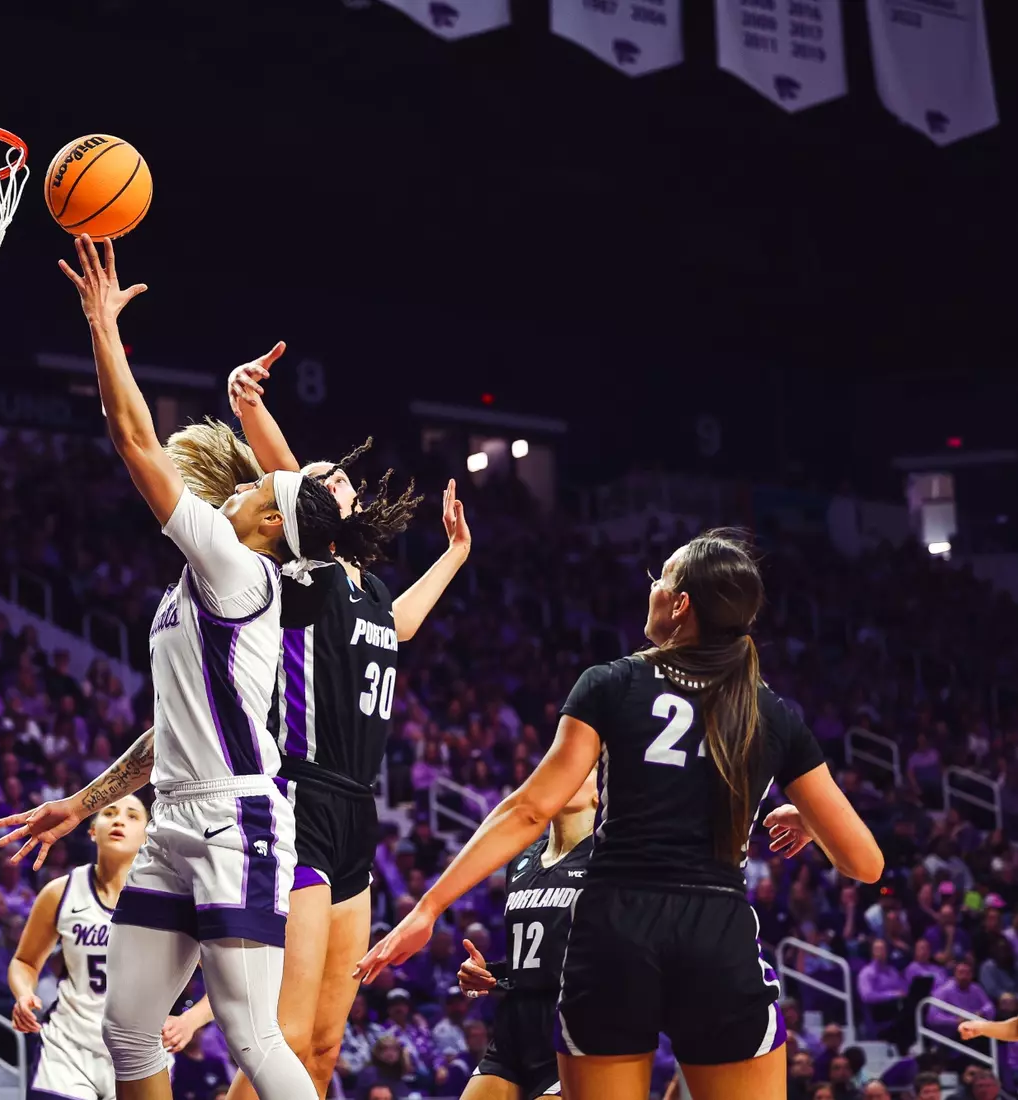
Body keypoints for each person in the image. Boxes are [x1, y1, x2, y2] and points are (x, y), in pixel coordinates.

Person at [0, 235, 354, 1100]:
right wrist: (80, 804)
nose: (234, 489)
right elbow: (169, 732)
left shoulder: (236, 567)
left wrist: (102, 327)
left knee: (251, 1034)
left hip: (239, 820)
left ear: (268, 523)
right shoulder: (208, 579)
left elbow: (135, 441)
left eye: (256, 492)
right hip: (176, 819)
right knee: (128, 1030)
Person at [355, 530, 884, 1100]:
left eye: (662, 575)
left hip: (613, 930)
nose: (652, 586)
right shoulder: (772, 711)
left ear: (680, 604)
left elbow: (531, 809)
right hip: (716, 931)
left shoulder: (612, 682)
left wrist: (429, 907)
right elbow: (865, 864)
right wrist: (811, 822)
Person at [214, 345, 466, 1100]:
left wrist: (457, 553)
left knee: (324, 1048)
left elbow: (405, 624)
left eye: (340, 477)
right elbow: (293, 488)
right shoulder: (302, 574)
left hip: (357, 811)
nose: (334, 480)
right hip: (300, 799)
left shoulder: (368, 586)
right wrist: (251, 407)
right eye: (320, 482)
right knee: (282, 1043)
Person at [9, 795, 214, 1100]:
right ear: (93, 830)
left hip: (142, 1049)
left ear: (148, 833)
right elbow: (25, 961)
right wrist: (24, 993)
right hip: (68, 1049)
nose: (119, 820)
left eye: (133, 816)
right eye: (110, 812)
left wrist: (191, 1020)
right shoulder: (61, 892)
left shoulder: (172, 899)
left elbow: (226, 980)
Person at [452, 770, 598, 1100]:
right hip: (514, 1024)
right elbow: (541, 948)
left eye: (584, 769)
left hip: (571, 1024)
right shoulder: (523, 859)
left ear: (600, 794)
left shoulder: (606, 859)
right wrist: (490, 972)